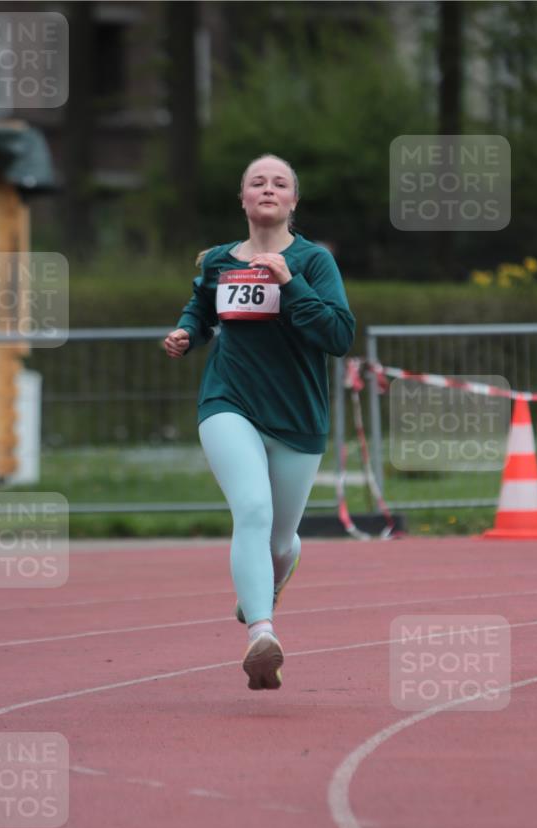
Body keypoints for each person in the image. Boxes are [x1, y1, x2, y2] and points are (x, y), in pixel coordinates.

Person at [164, 154, 355, 691]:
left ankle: (274, 575)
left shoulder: (315, 262)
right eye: (257, 182)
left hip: (296, 415)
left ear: (293, 201)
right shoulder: (219, 260)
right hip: (228, 401)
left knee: (280, 539)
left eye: (280, 183)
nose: (268, 188)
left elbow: (339, 337)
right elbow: (200, 308)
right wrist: (187, 333)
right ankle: (261, 636)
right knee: (250, 508)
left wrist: (290, 283)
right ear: (243, 199)